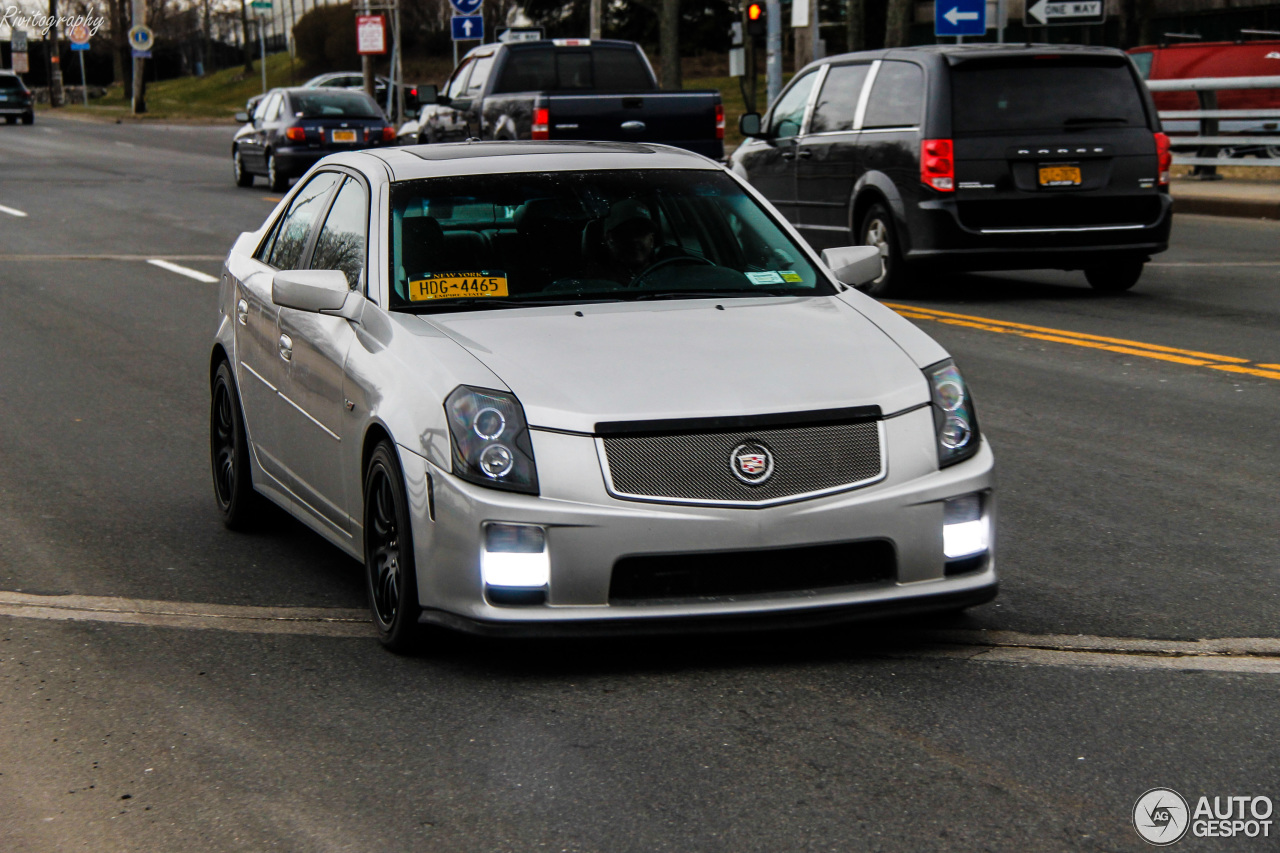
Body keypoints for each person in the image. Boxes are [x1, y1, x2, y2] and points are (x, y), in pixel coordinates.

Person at [599, 199, 659, 285]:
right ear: (609, 239)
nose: (634, 239)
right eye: (625, 232)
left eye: (641, 232)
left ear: (651, 239)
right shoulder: (598, 280)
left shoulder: (670, 270)